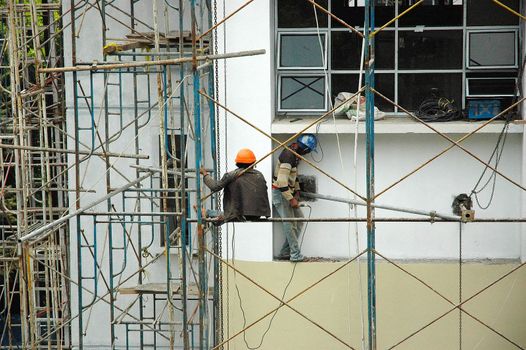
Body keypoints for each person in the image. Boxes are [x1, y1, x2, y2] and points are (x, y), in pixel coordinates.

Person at [273, 133, 317, 262]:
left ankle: (285, 252)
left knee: (299, 220)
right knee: (289, 223)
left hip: (289, 193)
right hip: (281, 194)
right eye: (308, 151)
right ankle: (295, 254)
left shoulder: (295, 155)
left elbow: (293, 176)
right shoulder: (288, 156)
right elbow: (281, 182)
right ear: (305, 148)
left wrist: (297, 190)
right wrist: (290, 199)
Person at [200, 148, 270, 224]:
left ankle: (208, 214)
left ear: (237, 163)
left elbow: (214, 187)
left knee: (225, 216)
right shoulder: (260, 175)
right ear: (253, 163)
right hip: (258, 214)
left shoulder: (231, 175)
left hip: (239, 214)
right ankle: (211, 218)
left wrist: (205, 174)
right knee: (220, 220)